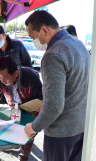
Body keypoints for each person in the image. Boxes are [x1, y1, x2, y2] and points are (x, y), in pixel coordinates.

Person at [24, 10, 90, 161]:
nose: (36, 42)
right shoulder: (79, 44)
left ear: (44, 30)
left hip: (61, 133)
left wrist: (33, 127)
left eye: (34, 37)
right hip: (80, 126)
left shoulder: (53, 55)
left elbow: (54, 106)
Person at [0, 55, 43, 161]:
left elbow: (40, 97)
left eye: (5, 77)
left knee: (28, 132)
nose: (2, 80)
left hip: (30, 110)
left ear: (16, 73)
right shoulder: (1, 76)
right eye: (0, 77)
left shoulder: (31, 76)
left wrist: (39, 107)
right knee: (12, 130)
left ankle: (24, 157)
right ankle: (15, 147)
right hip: (14, 107)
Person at [62, 24, 96, 95]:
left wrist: (86, 97)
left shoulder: (93, 57)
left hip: (84, 104)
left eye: (67, 39)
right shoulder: (59, 58)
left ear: (76, 38)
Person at [0, 25, 33, 94]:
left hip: (20, 84)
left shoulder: (17, 45)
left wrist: (31, 79)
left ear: (4, 35)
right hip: (2, 87)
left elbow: (27, 62)